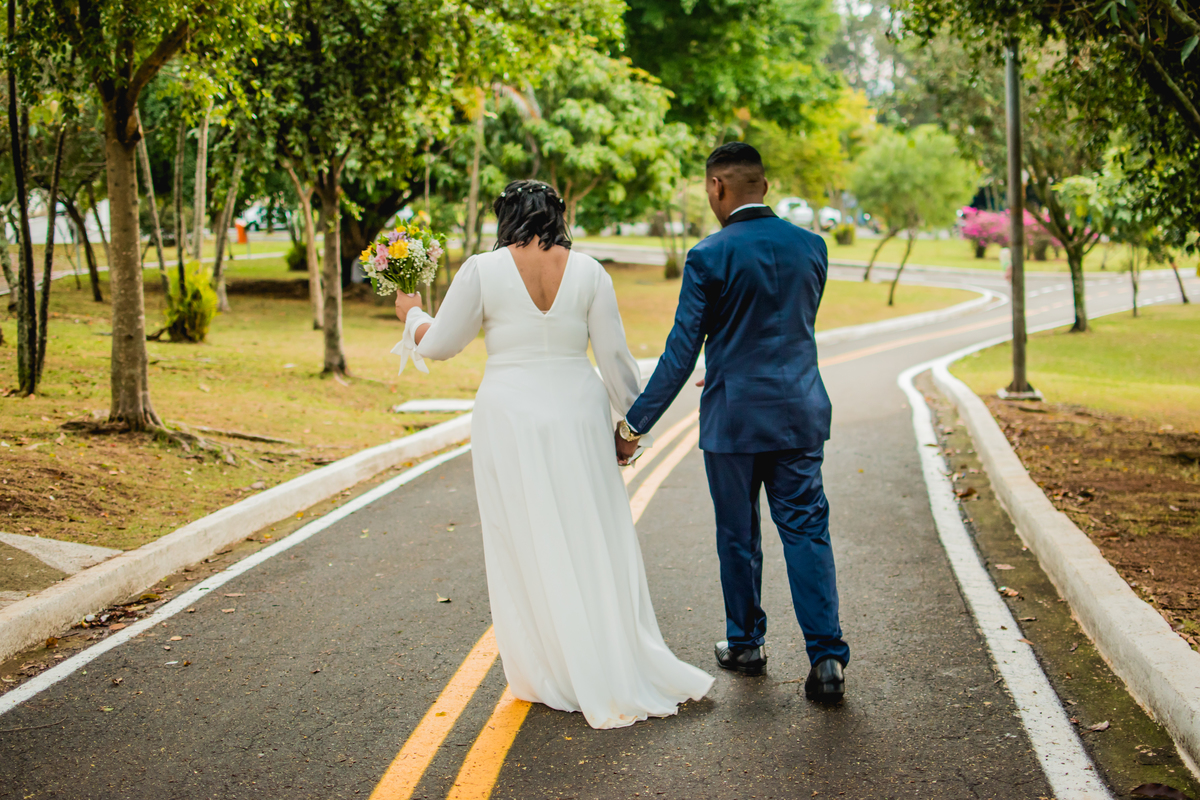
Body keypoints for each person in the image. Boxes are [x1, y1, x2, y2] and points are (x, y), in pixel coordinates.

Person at [393, 180, 713, 730]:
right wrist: (632, 429)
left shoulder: (482, 269)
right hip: (577, 412)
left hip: (510, 415)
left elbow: (440, 344)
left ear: (505, 218)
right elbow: (614, 358)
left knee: (524, 537)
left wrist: (412, 313)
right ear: (558, 216)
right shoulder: (590, 271)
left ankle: (550, 669)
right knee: (591, 532)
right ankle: (607, 657)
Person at [615, 142, 850, 703]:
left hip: (734, 419)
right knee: (806, 529)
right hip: (798, 412)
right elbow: (784, 329)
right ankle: (827, 662)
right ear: (763, 187)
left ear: (716, 188)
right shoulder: (811, 247)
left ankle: (746, 644)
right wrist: (731, 362)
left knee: (738, 535)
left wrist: (633, 427)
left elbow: (679, 354)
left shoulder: (707, 256)